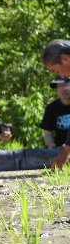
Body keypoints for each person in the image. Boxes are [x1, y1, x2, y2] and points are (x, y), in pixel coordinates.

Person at [42, 39, 70, 167]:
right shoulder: (52, 107)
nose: (62, 76)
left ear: (65, 59)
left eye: (57, 71)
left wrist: (65, 153)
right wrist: (66, 152)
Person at [41, 76, 70, 149]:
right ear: (56, 90)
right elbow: (48, 133)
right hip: (60, 150)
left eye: (66, 85)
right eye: (60, 86)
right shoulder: (51, 107)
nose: (63, 89)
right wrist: (52, 147)